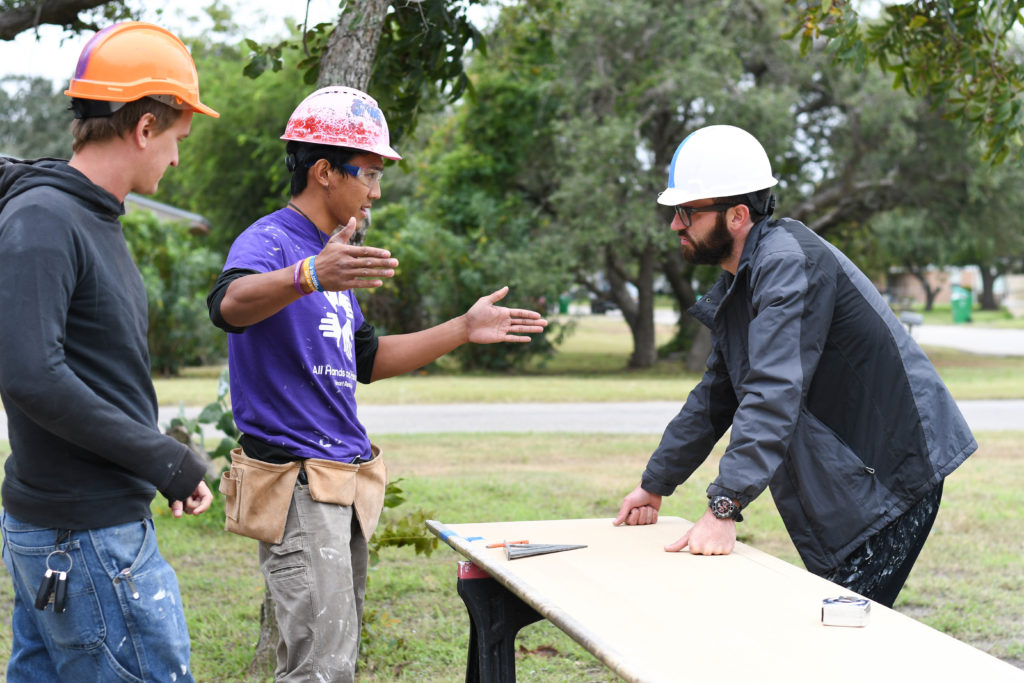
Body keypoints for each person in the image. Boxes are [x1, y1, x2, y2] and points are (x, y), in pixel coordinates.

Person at [206, 85, 547, 682]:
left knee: (332, 661)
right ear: (323, 172)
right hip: (298, 484)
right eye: (369, 174)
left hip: (342, 486)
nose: (377, 192)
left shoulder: (333, 254)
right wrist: (310, 274)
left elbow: (366, 358)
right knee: (320, 669)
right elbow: (229, 305)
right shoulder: (272, 243)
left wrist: (463, 329)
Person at [614, 124, 976, 608]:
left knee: (839, 635)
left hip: (894, 474)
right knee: (836, 636)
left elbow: (772, 391)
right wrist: (653, 484)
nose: (676, 225)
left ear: (737, 215)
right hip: (858, 474)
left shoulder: (787, 265)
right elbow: (716, 396)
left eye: (687, 212)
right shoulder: (743, 280)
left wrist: (724, 507)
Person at [0, 22, 217, 682]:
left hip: (83, 528)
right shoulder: (45, 219)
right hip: (85, 535)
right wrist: (166, 458)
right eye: (177, 138)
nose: (176, 159)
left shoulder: (86, 215)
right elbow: (30, 374)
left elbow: (88, 372)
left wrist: (155, 464)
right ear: (145, 127)